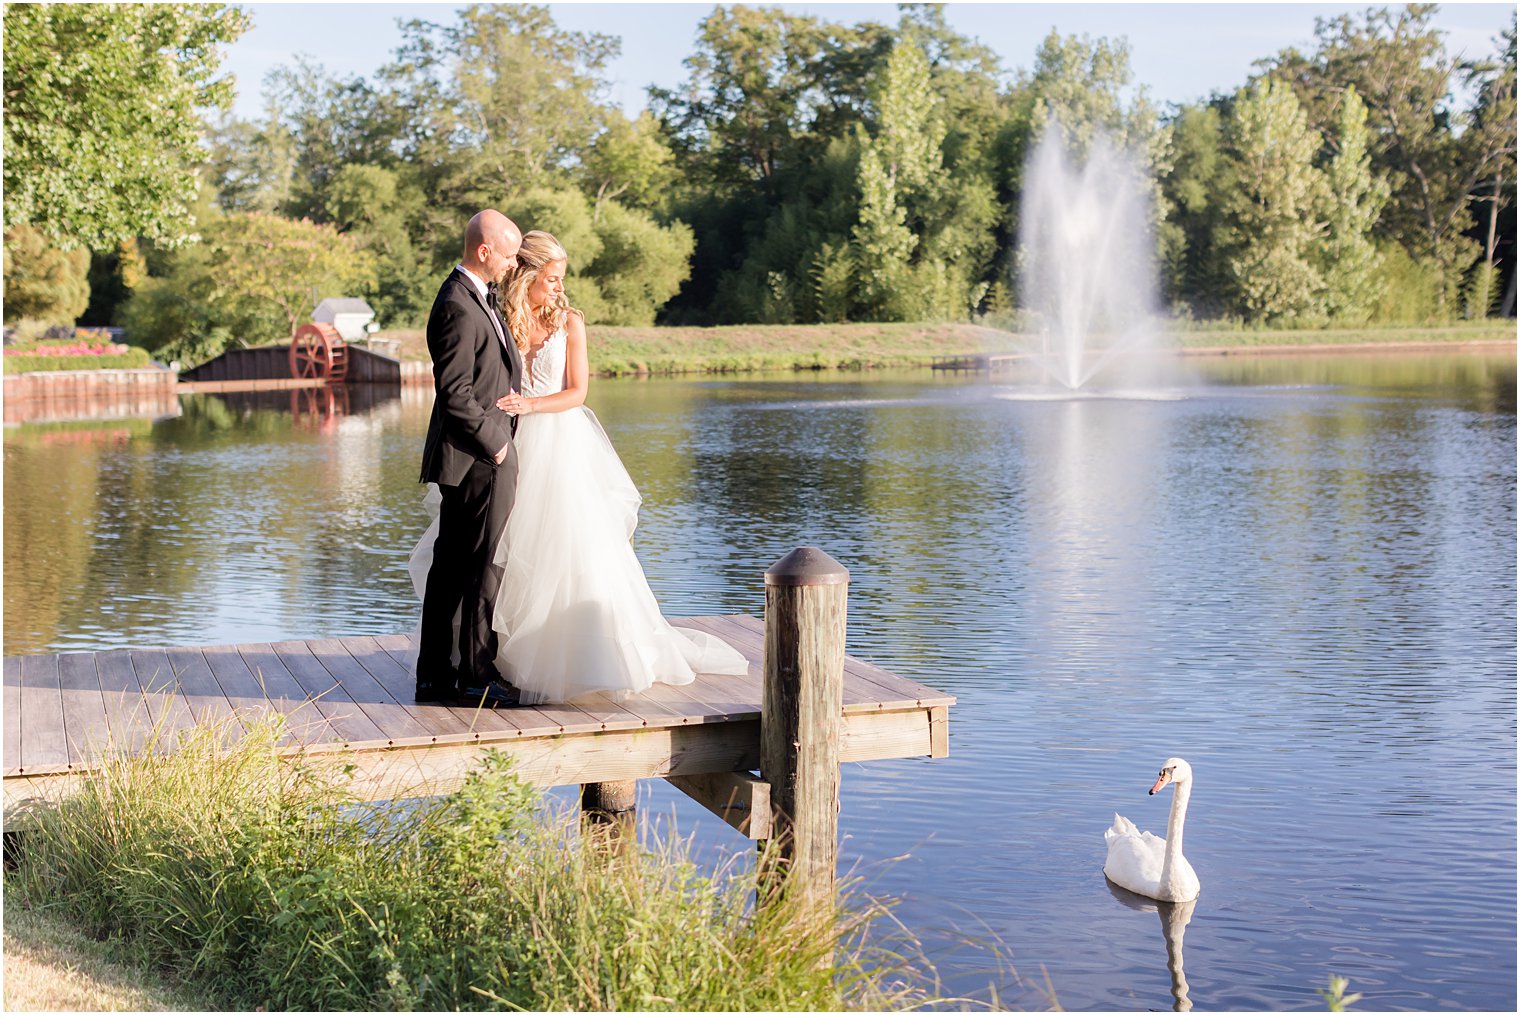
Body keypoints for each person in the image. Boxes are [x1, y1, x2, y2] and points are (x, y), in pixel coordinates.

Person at [411, 230, 748, 704]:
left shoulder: (567, 321)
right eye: (549, 278)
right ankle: (477, 665)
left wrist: (531, 406)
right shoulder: (496, 311)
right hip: (501, 443)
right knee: (486, 561)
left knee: (551, 552)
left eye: (560, 279)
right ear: (525, 273)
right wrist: (502, 431)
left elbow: (577, 392)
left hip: (553, 441)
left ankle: (540, 660)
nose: (557, 288)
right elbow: (465, 385)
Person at [414, 209, 524, 707]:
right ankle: (473, 677)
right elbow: (455, 392)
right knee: (479, 568)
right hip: (478, 457)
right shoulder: (458, 304)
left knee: (457, 567)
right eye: (507, 253)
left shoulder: (478, 298)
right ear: (484, 251)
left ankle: (439, 675)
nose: (512, 263)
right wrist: (497, 445)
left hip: (478, 456)